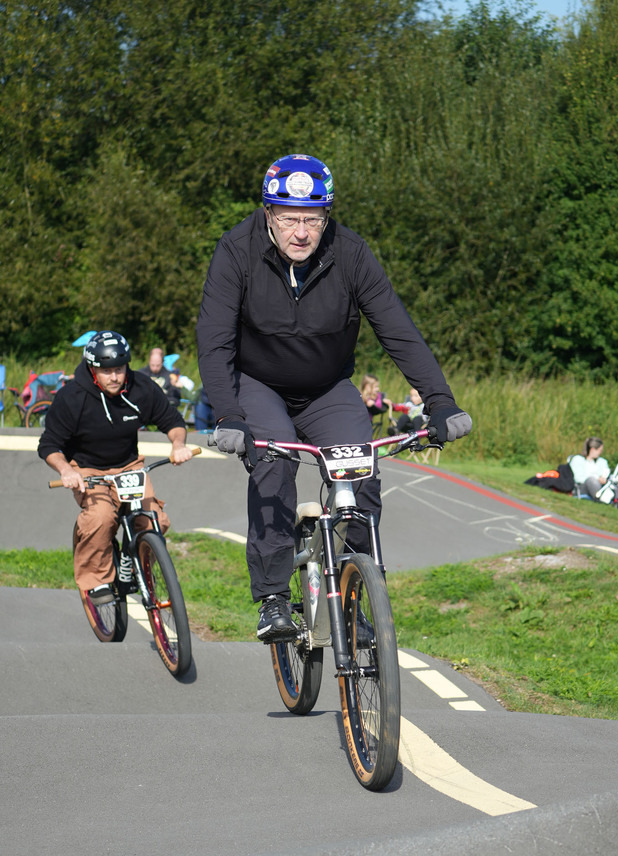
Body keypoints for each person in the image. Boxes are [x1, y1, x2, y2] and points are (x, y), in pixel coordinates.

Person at [196, 152, 472, 642]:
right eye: (289, 219)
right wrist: (231, 415)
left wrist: (440, 400)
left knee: (360, 469)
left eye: (313, 219)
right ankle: (274, 597)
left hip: (326, 388)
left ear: (327, 217)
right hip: (258, 386)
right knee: (273, 457)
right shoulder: (236, 251)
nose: (301, 232)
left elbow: (398, 331)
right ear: (268, 215)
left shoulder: (350, 253)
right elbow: (214, 340)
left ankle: (351, 591)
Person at [38, 331, 193, 606]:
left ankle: (132, 560)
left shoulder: (140, 388)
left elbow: (172, 421)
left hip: (128, 467)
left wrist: (178, 444)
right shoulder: (72, 397)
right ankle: (96, 580)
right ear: (92, 368)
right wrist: (66, 470)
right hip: (87, 469)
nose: (114, 377)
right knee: (100, 519)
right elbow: (49, 445)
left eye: (119, 370)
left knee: (155, 520)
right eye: (106, 371)